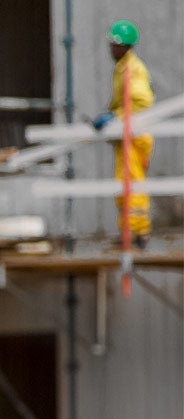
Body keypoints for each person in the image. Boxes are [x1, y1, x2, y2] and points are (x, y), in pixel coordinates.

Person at [92, 19, 153, 248]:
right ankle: (129, 231)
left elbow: (141, 102)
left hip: (135, 135)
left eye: (114, 46)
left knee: (132, 184)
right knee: (124, 183)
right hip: (128, 134)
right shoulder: (122, 68)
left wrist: (115, 117)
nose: (111, 50)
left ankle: (138, 234)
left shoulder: (132, 68)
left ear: (124, 46)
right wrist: (112, 116)